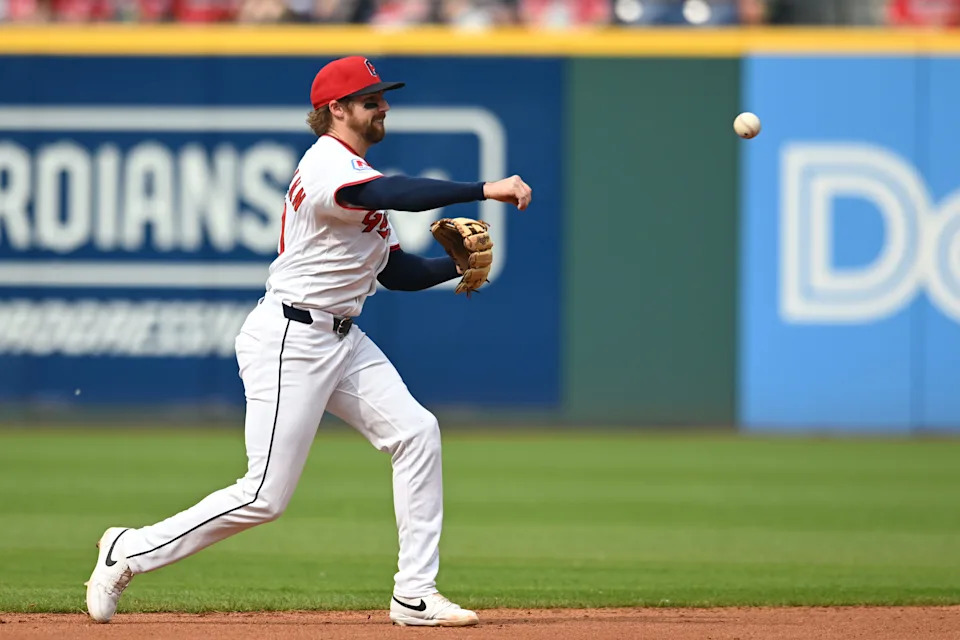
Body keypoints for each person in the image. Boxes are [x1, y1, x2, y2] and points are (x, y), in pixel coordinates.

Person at [84, 55, 532, 628]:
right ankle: (129, 550)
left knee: (417, 434)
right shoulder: (327, 167)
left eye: (382, 97)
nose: (383, 106)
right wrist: (483, 188)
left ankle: (414, 593)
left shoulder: (356, 175)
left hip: (341, 338)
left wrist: (451, 266)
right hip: (290, 340)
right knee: (263, 496)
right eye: (371, 99)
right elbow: (399, 191)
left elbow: (393, 272)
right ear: (337, 110)